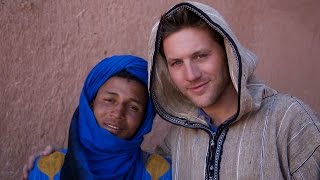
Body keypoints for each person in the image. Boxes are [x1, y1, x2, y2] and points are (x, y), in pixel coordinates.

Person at [147, 1, 320, 180]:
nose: (191, 75)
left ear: (227, 52)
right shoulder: (178, 135)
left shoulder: (288, 120)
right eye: (177, 63)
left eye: (201, 56)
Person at [25, 55, 172, 180]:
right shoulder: (46, 171)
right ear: (90, 104)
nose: (118, 113)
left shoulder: (163, 174)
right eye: (109, 100)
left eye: (133, 107)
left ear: (145, 119)